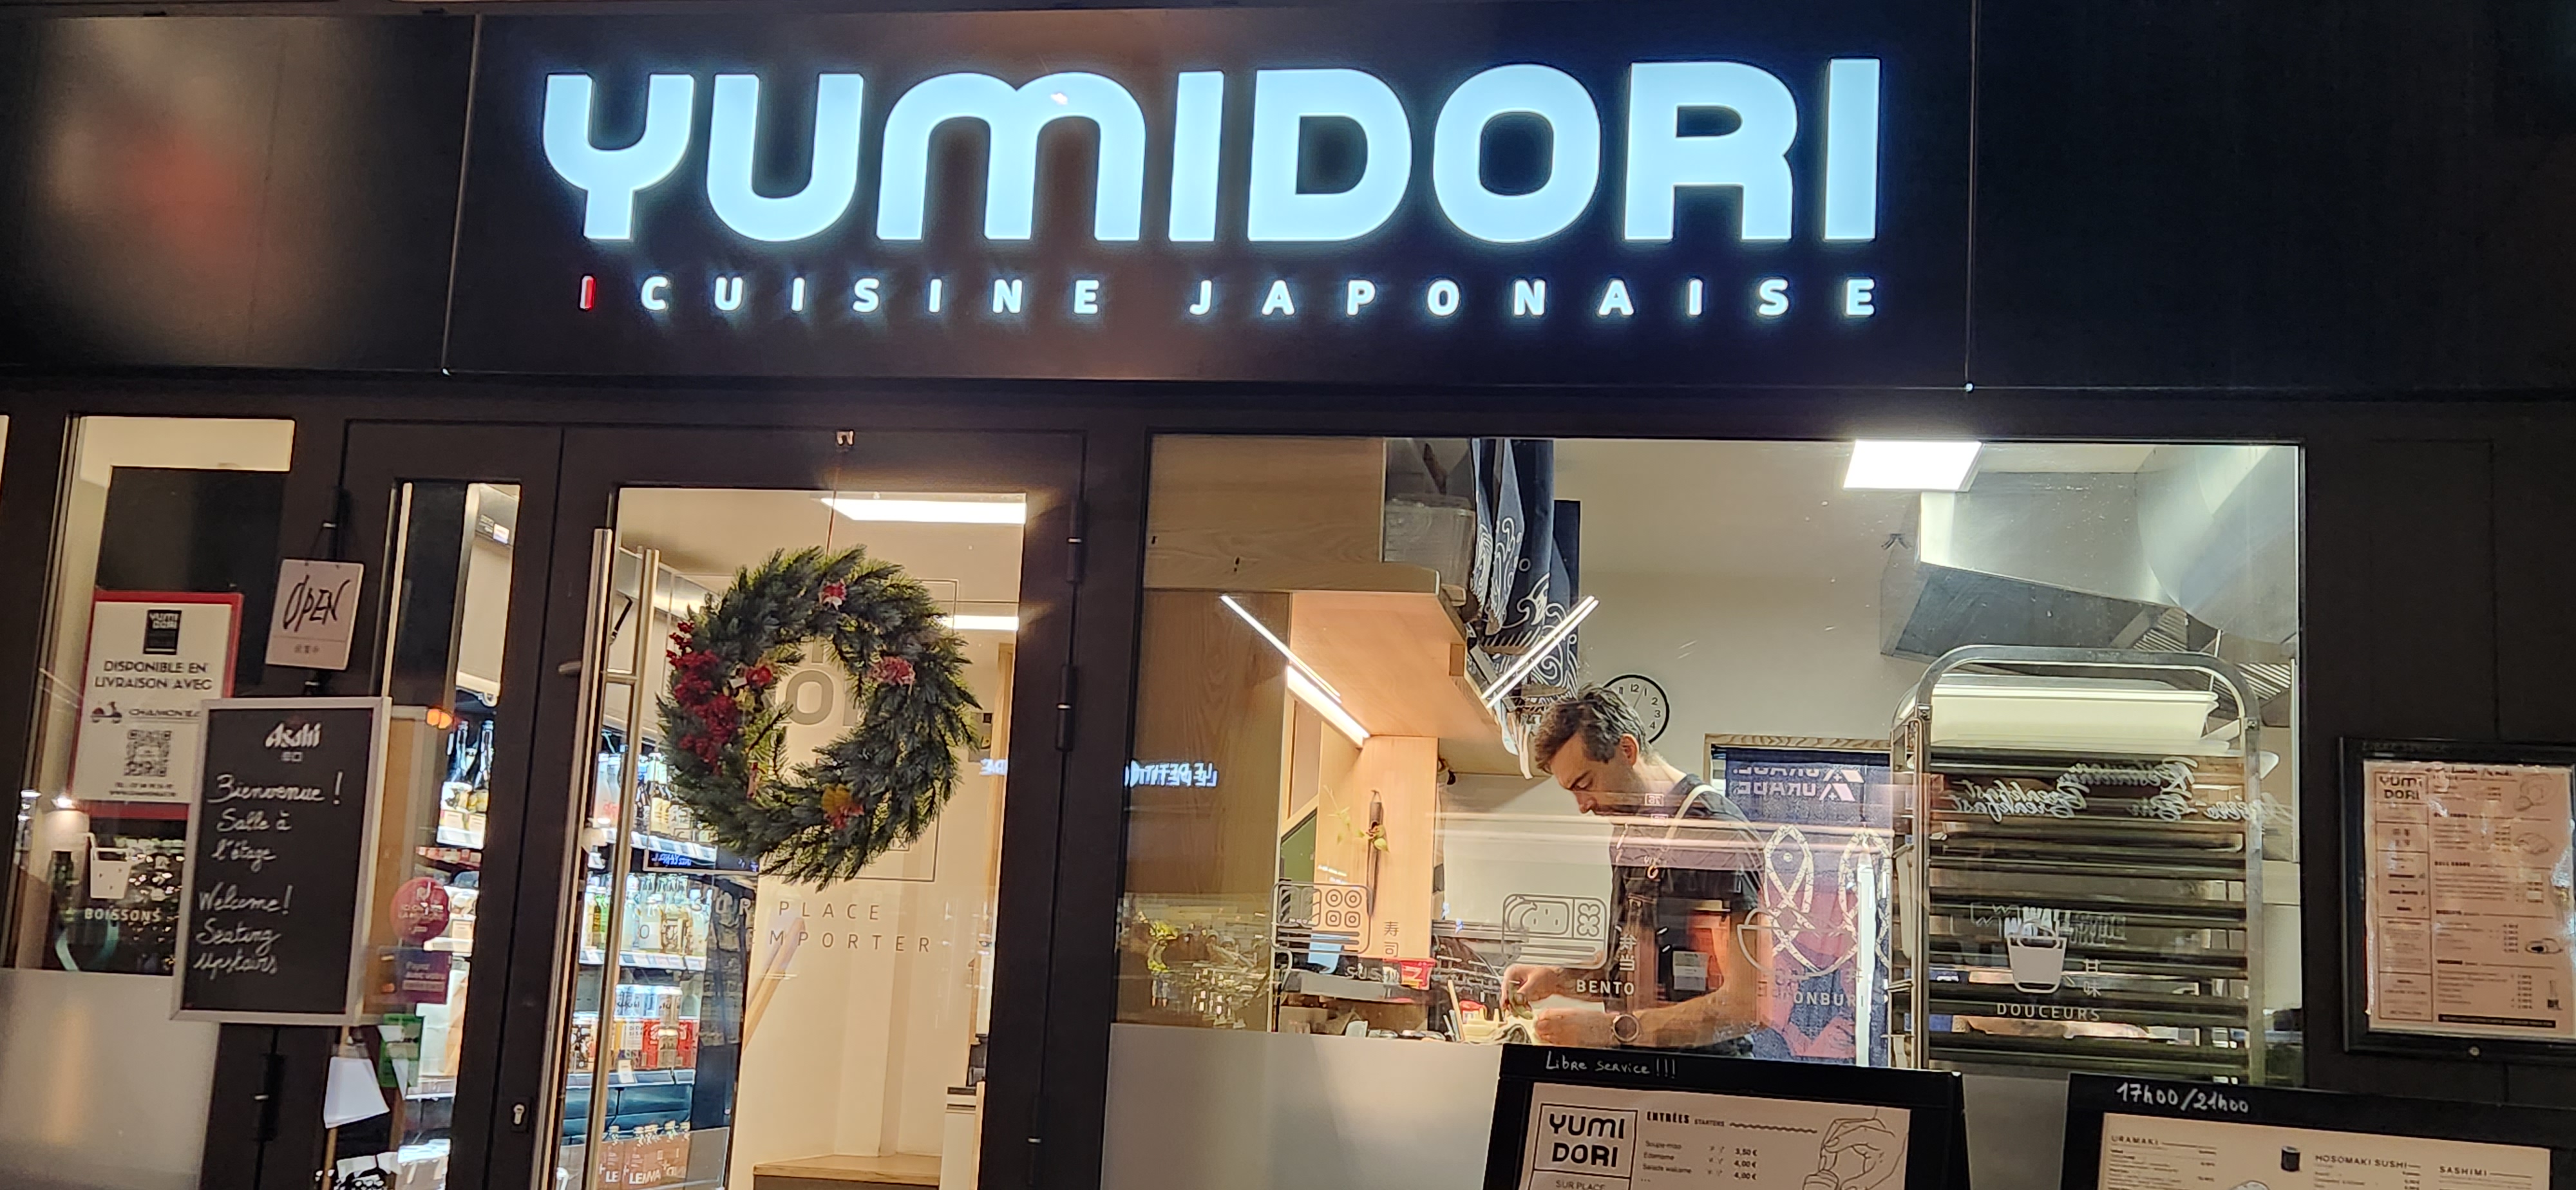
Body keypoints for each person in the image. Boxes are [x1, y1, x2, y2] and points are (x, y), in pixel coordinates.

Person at [1501, 685, 1773, 1050]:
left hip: (1705, 1077)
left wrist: (1609, 1031)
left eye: (1586, 784)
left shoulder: (1717, 835)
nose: (1583, 806)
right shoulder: (1629, 833)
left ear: (1627, 750)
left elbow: (1746, 1006)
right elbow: (1632, 968)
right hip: (1638, 1069)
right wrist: (1558, 978)